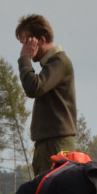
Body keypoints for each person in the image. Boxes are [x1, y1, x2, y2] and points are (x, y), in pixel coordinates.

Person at [15, 14, 77, 175]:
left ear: (41, 40)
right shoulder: (52, 65)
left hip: (57, 144)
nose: (24, 48)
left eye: (27, 42)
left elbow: (34, 88)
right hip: (49, 143)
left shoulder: (59, 62)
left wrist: (24, 59)